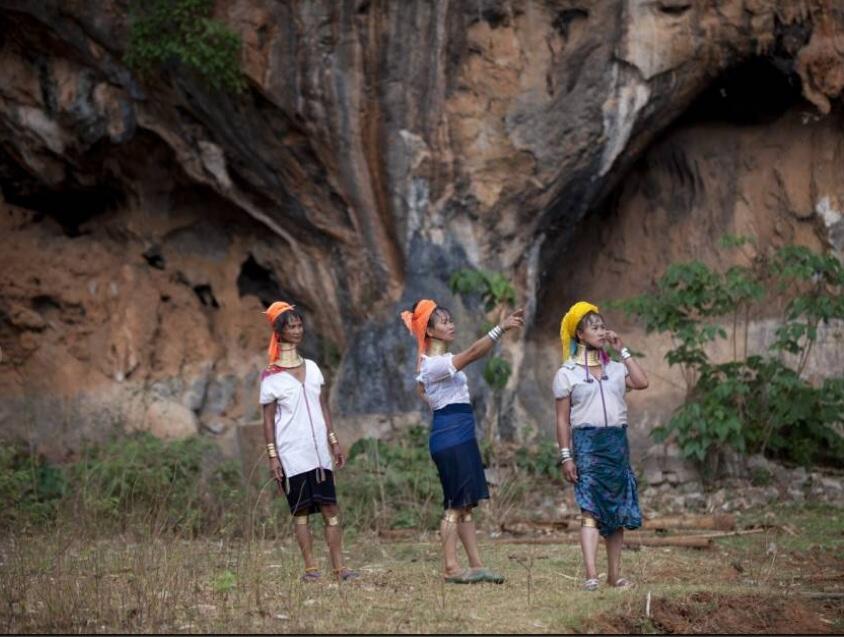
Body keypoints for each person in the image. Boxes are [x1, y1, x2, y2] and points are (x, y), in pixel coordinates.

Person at [402, 299, 524, 584]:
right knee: (455, 505)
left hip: (460, 434)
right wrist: (500, 329)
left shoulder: (432, 365)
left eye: (450, 319)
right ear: (429, 332)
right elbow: (472, 353)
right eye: (443, 322)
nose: (450, 324)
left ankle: (476, 564)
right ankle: (450, 566)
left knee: (465, 504)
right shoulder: (434, 364)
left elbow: (423, 390)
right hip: (451, 438)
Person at [553, 301, 649, 591]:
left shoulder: (618, 369)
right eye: (593, 327)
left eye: (601, 325)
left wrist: (623, 349)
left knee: (617, 510)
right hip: (587, 445)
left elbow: (642, 382)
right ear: (579, 335)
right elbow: (562, 420)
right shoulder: (566, 373)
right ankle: (591, 575)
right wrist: (566, 456)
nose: (600, 330)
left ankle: (614, 575)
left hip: (615, 444)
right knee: (591, 510)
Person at [259, 301, 358, 582]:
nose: (297, 330)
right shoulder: (271, 376)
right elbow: (267, 420)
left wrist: (334, 440)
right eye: (291, 326)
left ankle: (340, 568)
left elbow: (323, 406)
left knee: (330, 508)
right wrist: (273, 456)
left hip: (319, 454)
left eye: (299, 325)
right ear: (279, 332)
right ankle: (311, 569)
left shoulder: (313, 368)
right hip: (293, 453)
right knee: (301, 511)